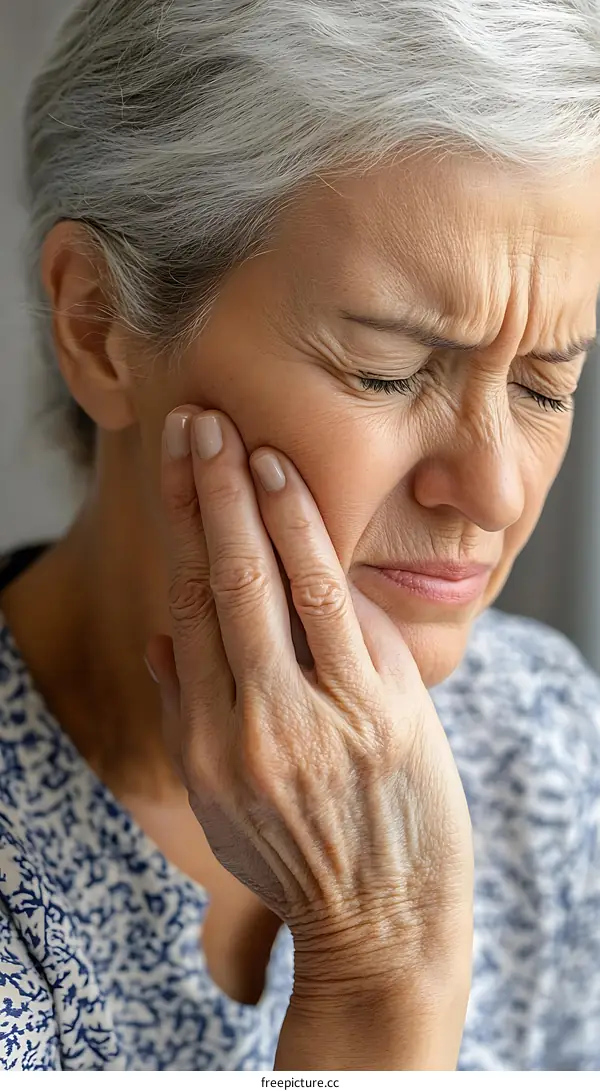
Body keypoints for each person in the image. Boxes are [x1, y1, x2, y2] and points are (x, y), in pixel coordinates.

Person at [1, 0, 600, 1073]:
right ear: (100, 324)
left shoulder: (549, 739)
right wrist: (381, 971)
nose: (498, 489)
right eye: (388, 368)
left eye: (546, 384)